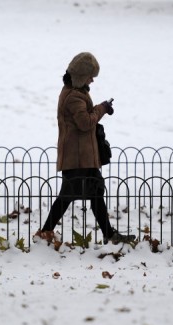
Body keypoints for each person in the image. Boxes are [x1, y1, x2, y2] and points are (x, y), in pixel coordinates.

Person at [34, 52, 136, 245]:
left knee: (95, 193)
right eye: (90, 76)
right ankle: (45, 232)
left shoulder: (77, 91)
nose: (92, 80)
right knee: (66, 197)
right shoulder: (73, 96)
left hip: (83, 157)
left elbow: (85, 115)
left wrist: (100, 107)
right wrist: (102, 109)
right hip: (77, 159)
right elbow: (85, 123)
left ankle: (109, 233)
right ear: (81, 76)